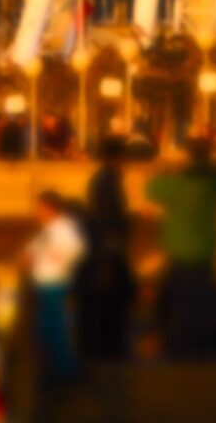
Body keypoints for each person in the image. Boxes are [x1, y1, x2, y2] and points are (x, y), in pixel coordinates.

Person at [145, 137, 216, 359]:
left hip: (178, 252)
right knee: (205, 305)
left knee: (179, 303)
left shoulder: (175, 185)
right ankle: (203, 346)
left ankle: (179, 346)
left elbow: (151, 189)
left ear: (188, 156)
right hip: (206, 251)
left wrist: (169, 168)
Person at [76, 151, 137, 361]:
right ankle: (110, 349)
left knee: (103, 304)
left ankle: (101, 348)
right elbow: (110, 219)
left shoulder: (102, 181)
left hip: (102, 254)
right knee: (115, 301)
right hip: (107, 254)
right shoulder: (108, 183)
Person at [23, 191, 87, 384]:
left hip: (53, 283)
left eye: (40, 208)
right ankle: (57, 367)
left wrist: (53, 261)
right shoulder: (51, 228)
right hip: (46, 282)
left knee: (54, 327)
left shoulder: (63, 229)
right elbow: (33, 250)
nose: (37, 212)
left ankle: (63, 370)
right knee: (48, 327)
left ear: (50, 209)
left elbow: (74, 250)